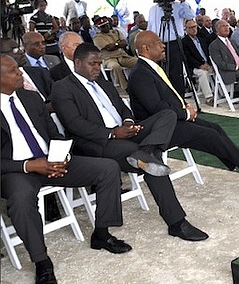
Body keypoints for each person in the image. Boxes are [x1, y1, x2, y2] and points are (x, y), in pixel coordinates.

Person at [51, 43, 209, 242]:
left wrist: (127, 122)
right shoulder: (63, 87)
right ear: (78, 62)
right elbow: (74, 124)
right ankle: (177, 223)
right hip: (99, 143)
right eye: (92, 64)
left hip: (126, 132)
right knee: (151, 164)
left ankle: (147, 149)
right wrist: (113, 133)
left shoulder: (103, 82)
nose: (97, 68)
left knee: (167, 115)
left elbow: (123, 107)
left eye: (99, 64)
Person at [1, 55, 132, 284]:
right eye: (13, 71)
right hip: (16, 171)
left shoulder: (30, 98)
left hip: (51, 161)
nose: (20, 74)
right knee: (20, 200)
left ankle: (102, 233)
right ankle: (42, 262)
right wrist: (29, 166)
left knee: (108, 168)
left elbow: (53, 134)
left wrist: (62, 154)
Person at [129, 31, 239, 185]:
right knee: (208, 135)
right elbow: (156, 107)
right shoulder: (140, 74)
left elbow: (168, 94)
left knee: (215, 128)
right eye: (158, 42)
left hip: (173, 119)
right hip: (159, 129)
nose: (163, 45)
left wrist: (185, 105)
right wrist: (185, 113)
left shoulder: (151, 68)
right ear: (146, 48)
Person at [147, 0, 195, 98]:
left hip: (174, 44)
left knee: (176, 73)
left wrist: (182, 1)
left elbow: (190, 15)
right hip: (157, 43)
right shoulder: (153, 9)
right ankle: (162, 98)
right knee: (159, 72)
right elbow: (150, 27)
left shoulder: (177, 6)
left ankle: (179, 100)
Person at [93, 17, 137, 91]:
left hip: (122, 56)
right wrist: (118, 43)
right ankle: (124, 88)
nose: (106, 27)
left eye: (107, 25)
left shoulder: (116, 32)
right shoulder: (97, 37)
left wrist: (115, 44)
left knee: (138, 62)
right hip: (109, 58)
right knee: (115, 67)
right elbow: (109, 47)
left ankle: (137, 82)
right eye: (103, 26)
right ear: (99, 28)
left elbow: (124, 43)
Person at [181, 19, 214, 105]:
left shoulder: (202, 39)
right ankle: (209, 97)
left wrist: (210, 64)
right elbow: (188, 57)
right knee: (203, 73)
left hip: (207, 64)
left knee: (219, 70)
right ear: (186, 29)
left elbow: (208, 54)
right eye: (190, 27)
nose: (193, 29)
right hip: (194, 67)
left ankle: (224, 93)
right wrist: (200, 65)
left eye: (194, 27)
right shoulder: (184, 42)